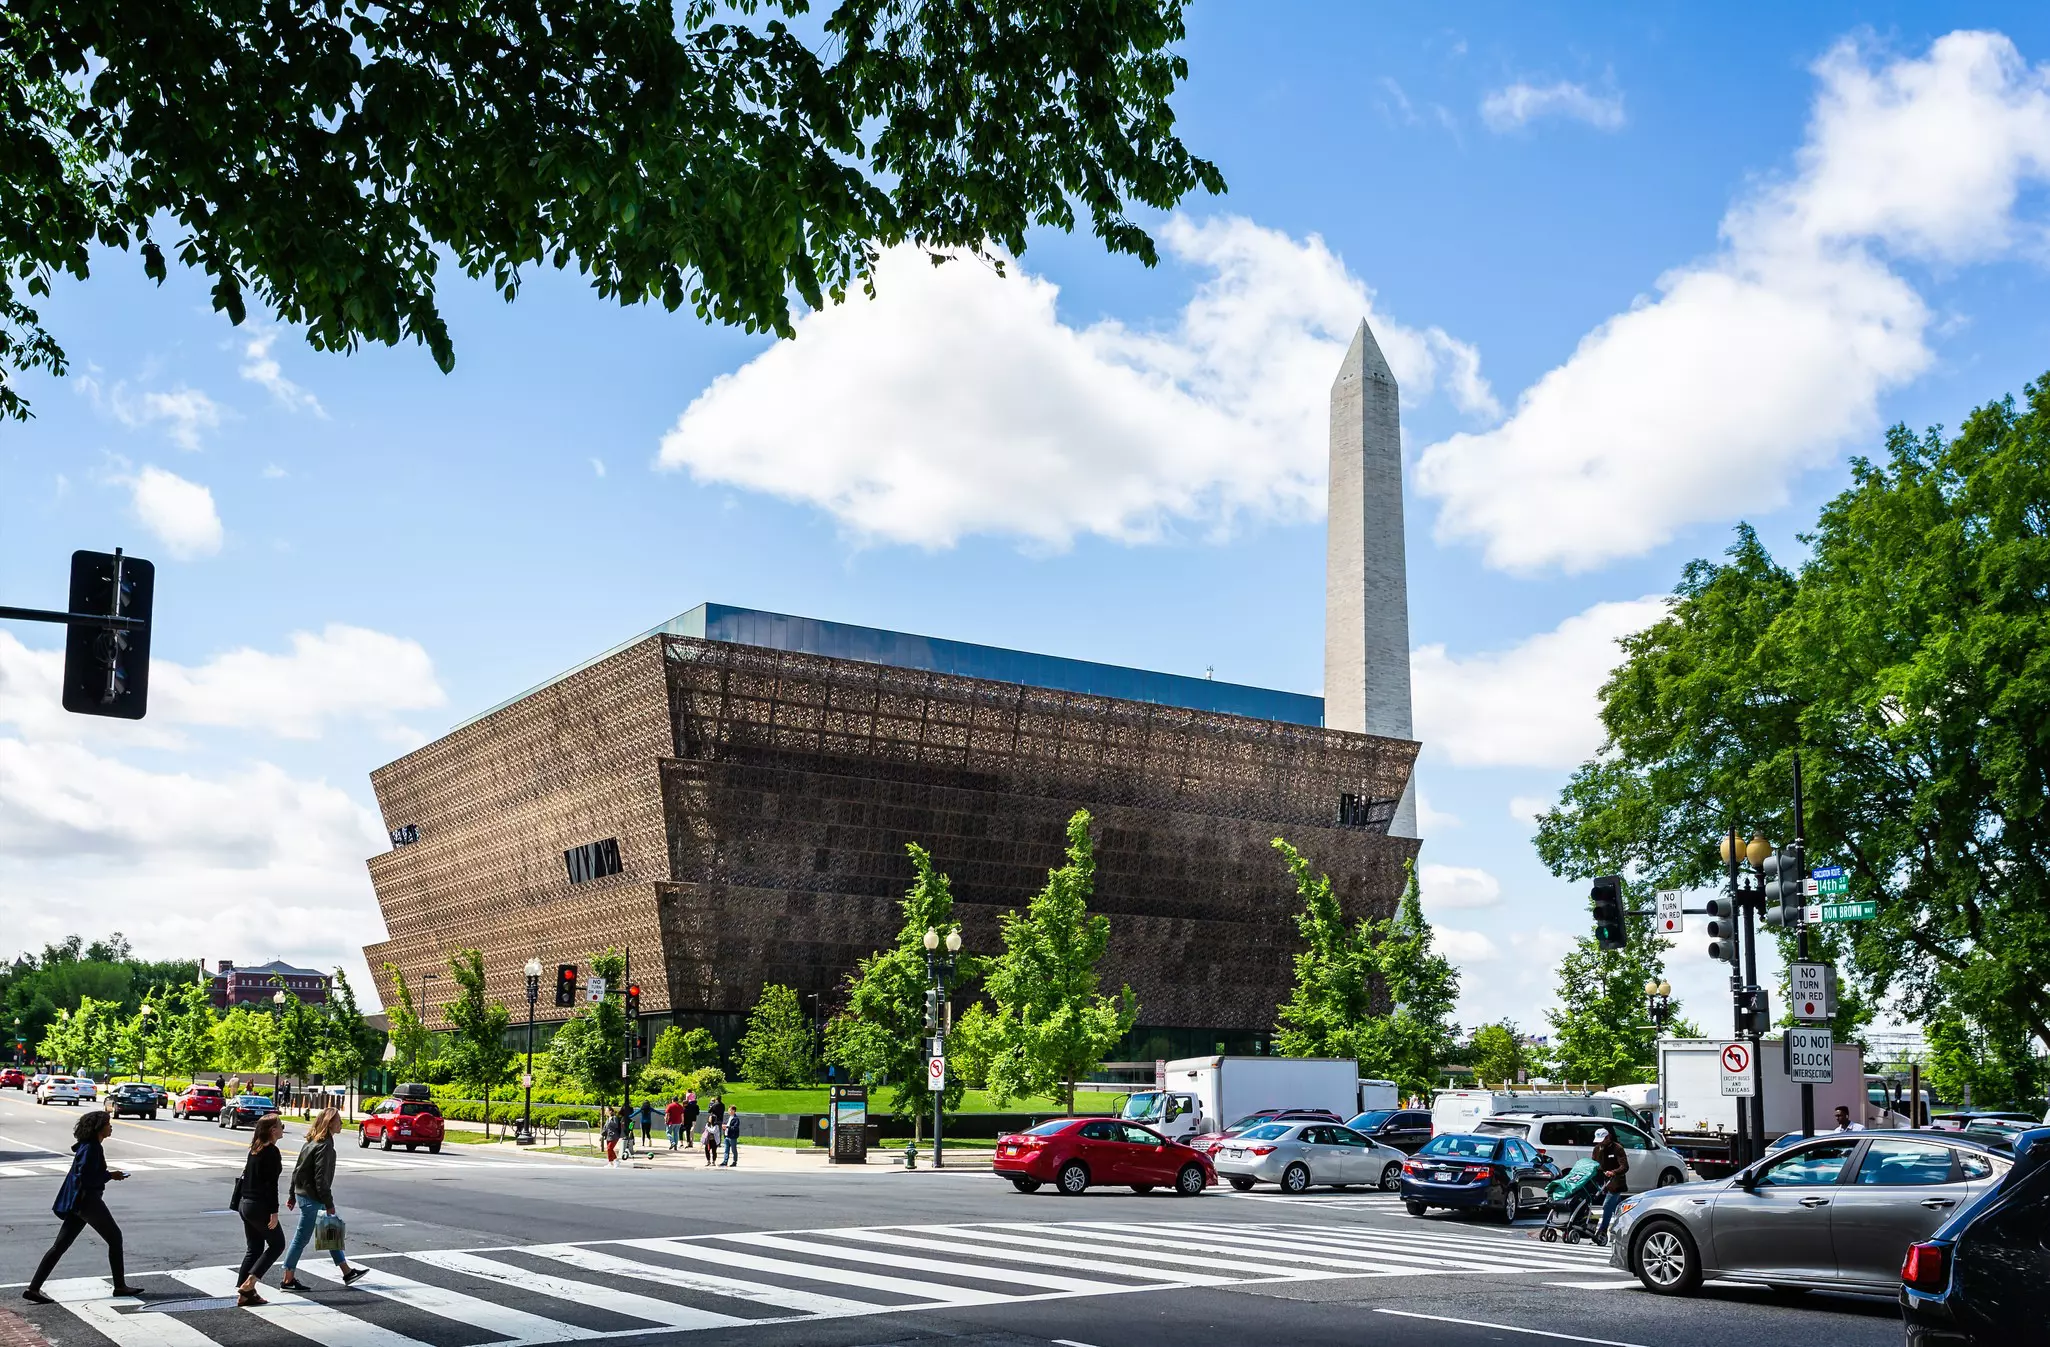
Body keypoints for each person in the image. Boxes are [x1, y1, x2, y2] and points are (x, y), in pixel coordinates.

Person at [24, 1110, 142, 1305]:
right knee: (115, 1237)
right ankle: (120, 1286)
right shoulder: (92, 1148)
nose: (110, 1127)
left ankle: (33, 1289)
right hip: (88, 1201)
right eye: (108, 1124)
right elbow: (86, 1177)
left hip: (78, 1202)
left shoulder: (89, 1146)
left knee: (60, 1246)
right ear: (99, 1128)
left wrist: (107, 1175)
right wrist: (110, 1175)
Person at [279, 1108, 369, 1292]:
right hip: (313, 1198)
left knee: (329, 1232)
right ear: (329, 1123)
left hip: (306, 1194)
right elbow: (320, 1179)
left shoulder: (311, 1142)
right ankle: (288, 1280)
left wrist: (292, 1194)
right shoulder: (325, 1146)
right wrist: (329, 1204)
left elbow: (297, 1170)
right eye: (338, 1121)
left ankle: (347, 1272)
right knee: (301, 1239)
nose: (341, 1123)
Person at [234, 1116, 288, 1306]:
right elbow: (271, 1185)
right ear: (273, 1130)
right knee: (278, 1244)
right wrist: (274, 1212)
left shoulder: (255, 1148)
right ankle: (249, 1283)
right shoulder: (271, 1151)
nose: (283, 1129)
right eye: (281, 1126)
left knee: (255, 1248)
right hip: (259, 1206)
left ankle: (245, 1293)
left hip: (245, 1204)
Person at [1590, 1127, 1629, 1245]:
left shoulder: (1618, 1148)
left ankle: (1602, 1230)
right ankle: (1626, 1228)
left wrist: (1614, 1172)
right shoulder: (1597, 1149)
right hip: (1602, 1181)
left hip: (1615, 1181)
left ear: (1608, 1138)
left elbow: (1624, 1166)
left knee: (1607, 1205)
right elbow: (1593, 1163)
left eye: (1603, 1140)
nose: (1601, 1143)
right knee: (1618, 1208)